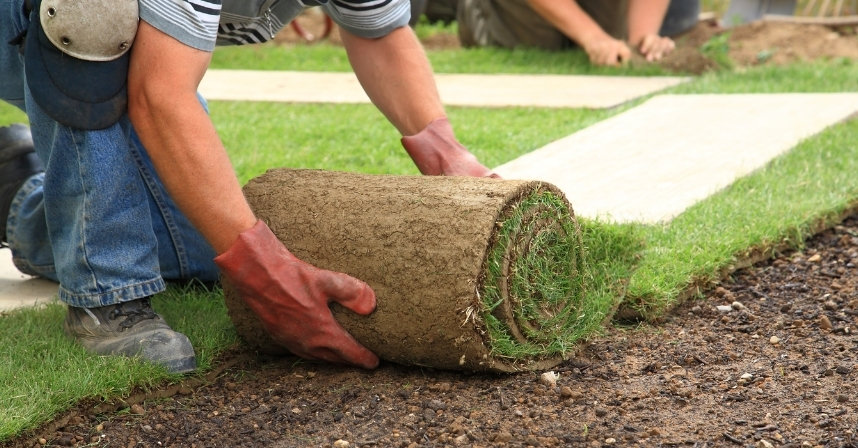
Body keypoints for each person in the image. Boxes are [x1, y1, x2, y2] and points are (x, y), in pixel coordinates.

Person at [0, 0, 496, 374]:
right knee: (95, 13)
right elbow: (160, 96)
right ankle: (105, 295)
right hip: (50, 21)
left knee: (198, 248)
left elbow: (380, 33)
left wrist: (445, 151)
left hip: (118, 50)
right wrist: (261, 266)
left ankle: (14, 190)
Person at [456, 0, 701, 66]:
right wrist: (592, 37)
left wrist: (640, 42)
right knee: (540, 40)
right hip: (501, 16)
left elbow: (636, 43)